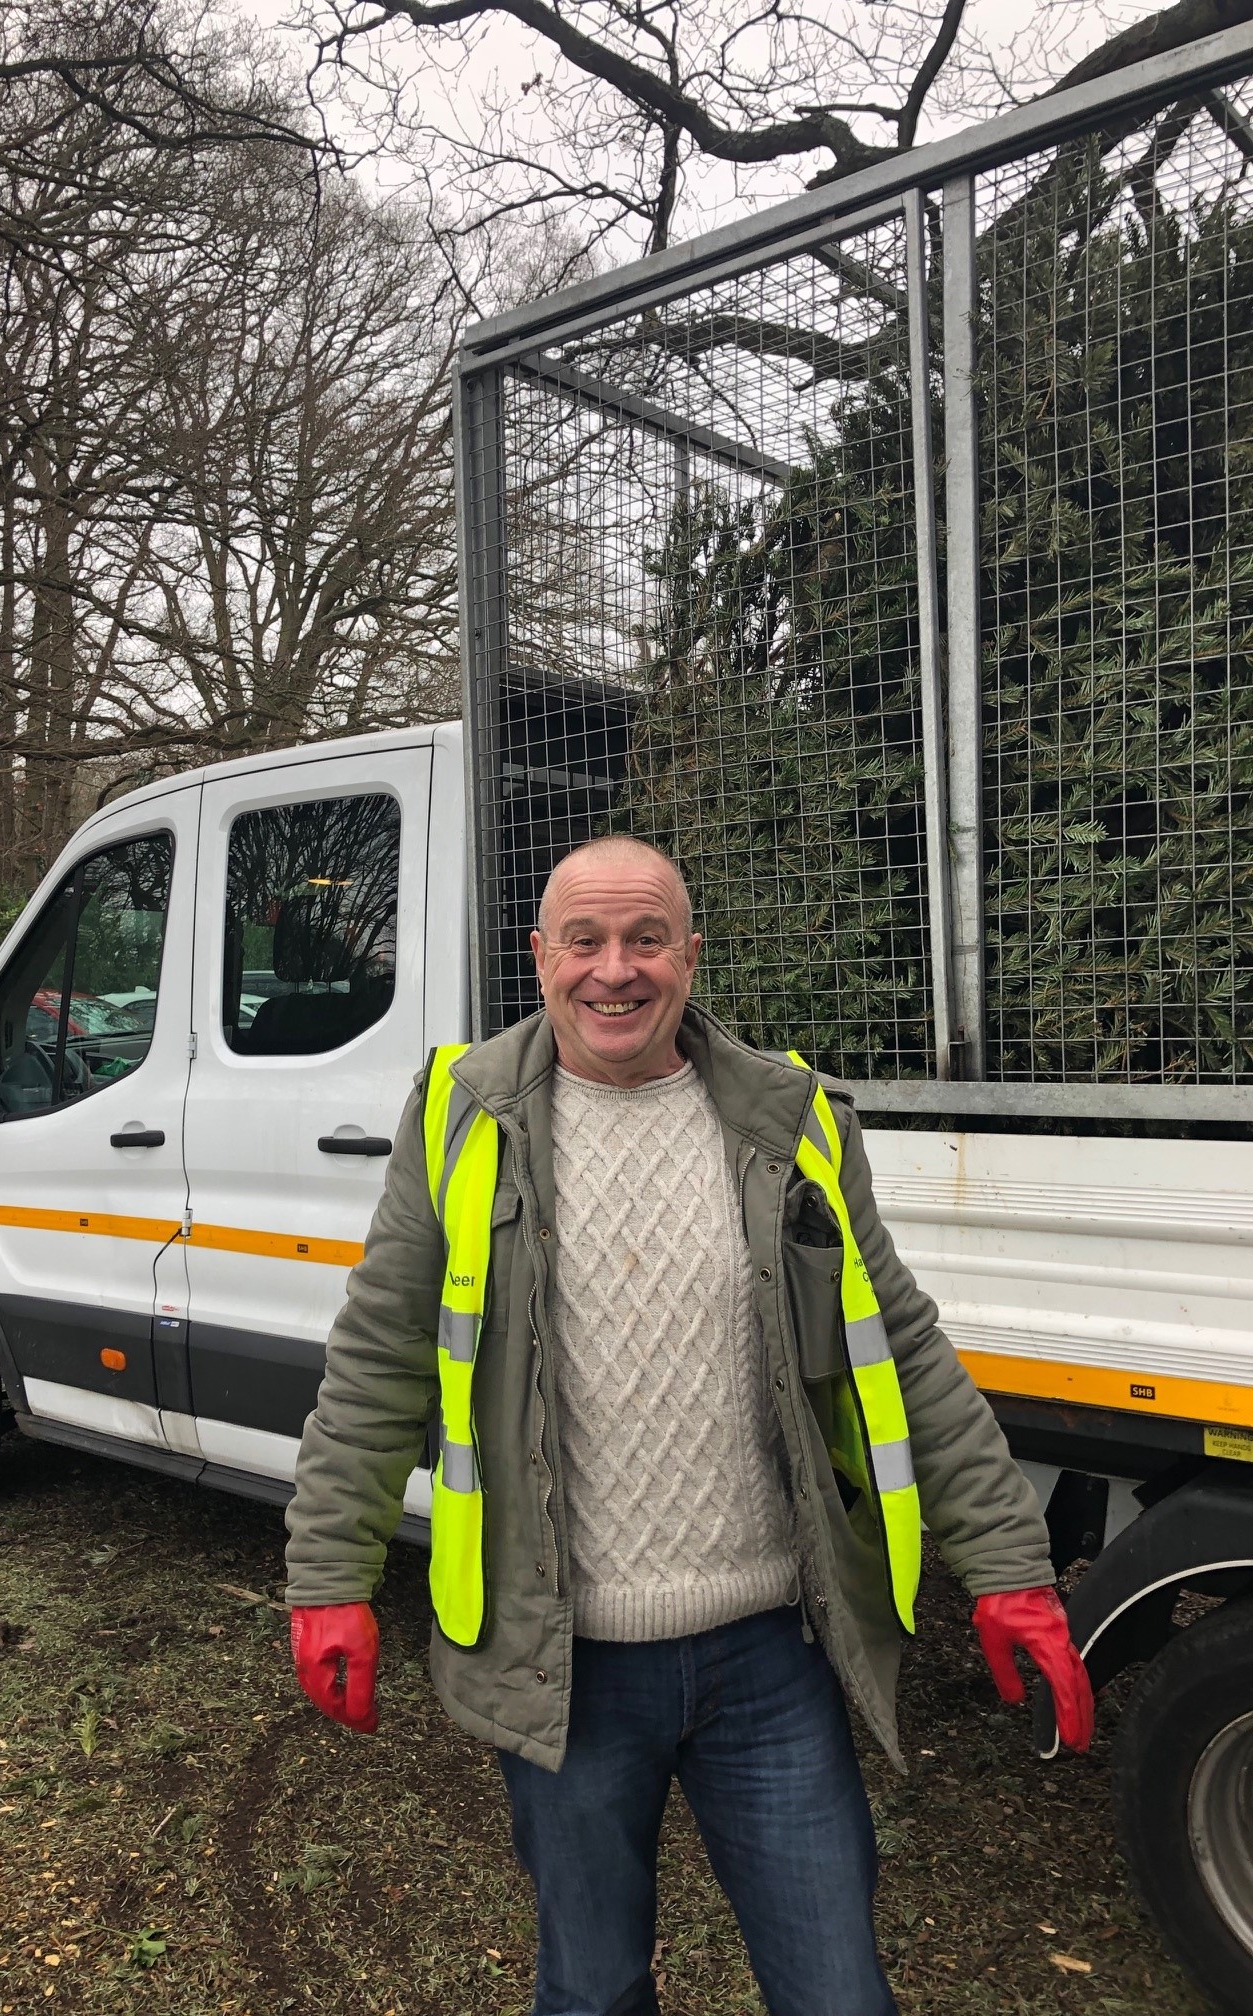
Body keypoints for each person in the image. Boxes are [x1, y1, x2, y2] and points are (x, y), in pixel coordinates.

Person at [284, 835, 1093, 2016]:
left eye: (647, 939)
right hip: (566, 1664)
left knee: (838, 1995)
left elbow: (902, 1349)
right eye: (587, 941)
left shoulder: (791, 1119)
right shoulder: (465, 1118)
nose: (617, 971)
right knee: (595, 1989)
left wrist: (1011, 1566)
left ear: (691, 956)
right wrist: (328, 1575)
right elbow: (378, 1355)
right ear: (541, 959)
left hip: (772, 1655)